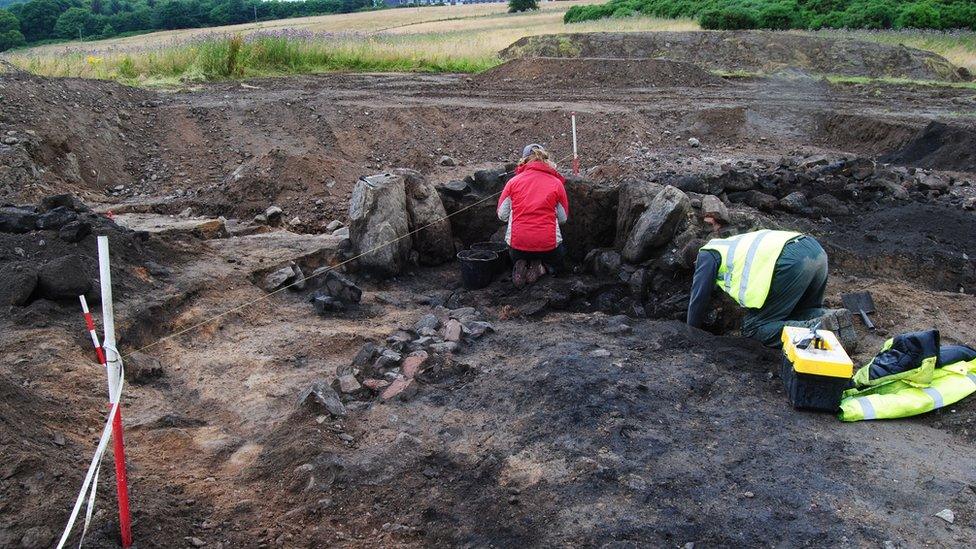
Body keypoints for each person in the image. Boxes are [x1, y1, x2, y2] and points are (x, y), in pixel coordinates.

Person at [685, 229, 856, 349]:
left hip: (792, 262)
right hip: (814, 250)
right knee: (797, 313)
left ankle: (816, 332)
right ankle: (833, 320)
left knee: (753, 327)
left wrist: (690, 331)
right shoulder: (730, 243)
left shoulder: (706, 254)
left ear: (696, 261)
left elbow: (698, 296)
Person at [497, 144, 569, 288]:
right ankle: (543, 267)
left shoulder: (513, 182)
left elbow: (502, 215)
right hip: (548, 248)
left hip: (518, 247)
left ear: (524, 160)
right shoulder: (556, 183)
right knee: (560, 258)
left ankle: (522, 263)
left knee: (518, 248)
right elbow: (563, 219)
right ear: (545, 159)